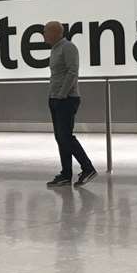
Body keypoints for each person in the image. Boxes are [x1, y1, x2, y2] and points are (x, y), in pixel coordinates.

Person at [45, 20, 97, 187]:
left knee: (66, 136)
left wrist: (61, 95)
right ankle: (66, 173)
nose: (44, 34)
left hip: (66, 99)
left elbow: (72, 71)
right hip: (55, 98)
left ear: (56, 32)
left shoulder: (68, 47)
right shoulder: (55, 49)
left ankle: (88, 168)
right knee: (60, 138)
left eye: (46, 31)